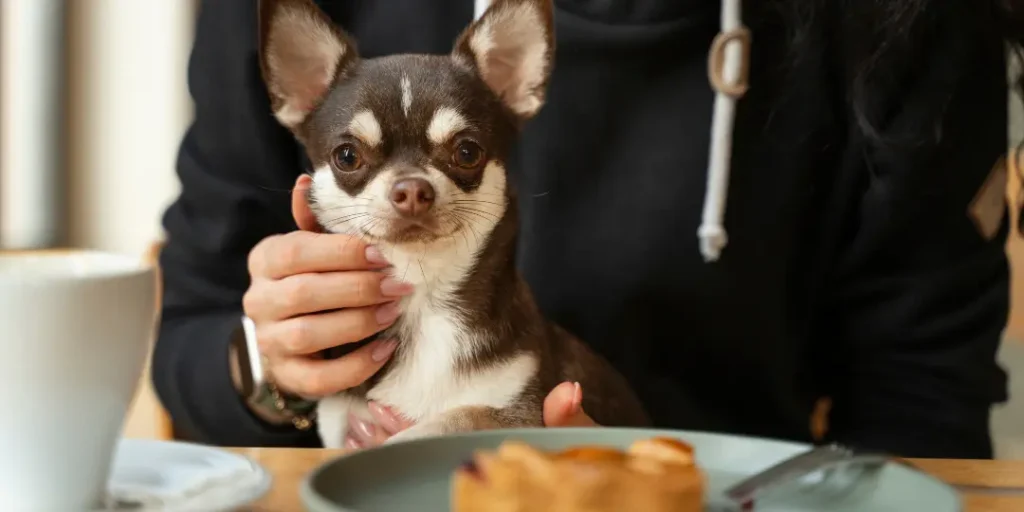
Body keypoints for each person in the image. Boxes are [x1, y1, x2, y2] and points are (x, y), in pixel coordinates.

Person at [153, 0, 1018, 458]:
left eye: (458, 155)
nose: (411, 193)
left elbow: (923, 413)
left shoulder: (913, 22)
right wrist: (275, 367)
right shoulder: (297, 38)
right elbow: (188, 336)